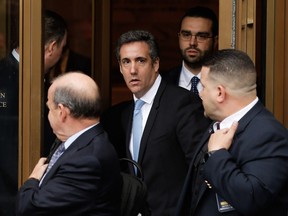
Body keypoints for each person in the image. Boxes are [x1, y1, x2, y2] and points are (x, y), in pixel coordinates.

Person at [101, 30, 211, 216]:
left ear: (156, 63)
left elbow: (200, 169)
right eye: (126, 62)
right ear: (120, 67)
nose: (132, 70)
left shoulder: (182, 103)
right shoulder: (121, 114)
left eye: (140, 60)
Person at [176, 49, 288, 216]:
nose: (200, 93)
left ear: (220, 93)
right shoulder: (217, 125)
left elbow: (251, 198)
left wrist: (217, 154)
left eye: (204, 86)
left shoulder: (270, 135)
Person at [16, 72, 122, 216]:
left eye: (49, 108)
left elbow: (29, 209)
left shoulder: (86, 161)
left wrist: (33, 180)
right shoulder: (74, 140)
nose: (48, 114)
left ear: (61, 111)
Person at [0, 10, 67, 215]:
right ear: (52, 47)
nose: (62, 54)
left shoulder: (14, 72)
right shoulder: (12, 81)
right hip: (14, 194)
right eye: (62, 49)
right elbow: (9, 146)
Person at [162, 6, 218, 96]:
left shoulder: (226, 83)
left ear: (215, 41)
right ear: (179, 37)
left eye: (201, 36)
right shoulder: (161, 83)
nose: (192, 43)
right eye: (186, 35)